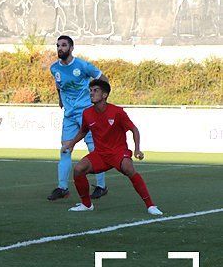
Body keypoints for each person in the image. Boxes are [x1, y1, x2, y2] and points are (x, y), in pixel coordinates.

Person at [62, 79, 161, 216]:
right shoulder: (87, 113)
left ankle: (150, 205)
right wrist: (71, 144)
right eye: (90, 90)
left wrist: (137, 149)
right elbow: (83, 131)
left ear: (104, 95)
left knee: (128, 168)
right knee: (79, 169)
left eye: (95, 90)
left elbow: (134, 129)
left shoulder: (117, 112)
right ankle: (86, 204)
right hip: (100, 155)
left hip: (118, 152)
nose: (91, 93)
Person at [48, 35, 109, 201]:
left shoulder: (82, 65)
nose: (60, 48)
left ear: (71, 48)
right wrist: (61, 100)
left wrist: (102, 100)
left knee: (93, 149)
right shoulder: (54, 68)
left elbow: (103, 78)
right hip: (69, 115)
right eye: (58, 45)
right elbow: (58, 85)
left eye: (64, 45)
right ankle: (62, 188)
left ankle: (102, 186)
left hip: (87, 113)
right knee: (65, 149)